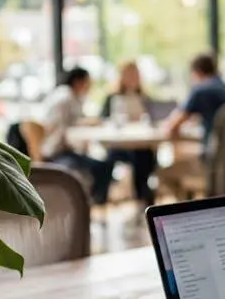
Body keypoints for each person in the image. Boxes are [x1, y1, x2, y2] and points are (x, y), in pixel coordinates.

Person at [41, 67, 111, 204]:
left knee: (102, 165)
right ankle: (92, 205)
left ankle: (92, 204)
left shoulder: (66, 96)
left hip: (60, 151)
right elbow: (65, 129)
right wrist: (87, 123)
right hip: (55, 154)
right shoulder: (66, 98)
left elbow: (72, 122)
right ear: (79, 82)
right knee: (102, 167)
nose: (89, 87)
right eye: (88, 83)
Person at [101, 60, 159, 206]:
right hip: (119, 145)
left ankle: (143, 197)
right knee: (126, 158)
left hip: (141, 143)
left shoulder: (145, 98)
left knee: (145, 156)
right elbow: (103, 120)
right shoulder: (112, 98)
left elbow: (153, 118)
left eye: (135, 74)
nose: (133, 77)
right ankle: (104, 197)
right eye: (129, 74)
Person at [163, 53, 225, 146]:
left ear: (197, 72)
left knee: (178, 152)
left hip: (215, 151)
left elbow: (172, 127)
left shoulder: (201, 91)